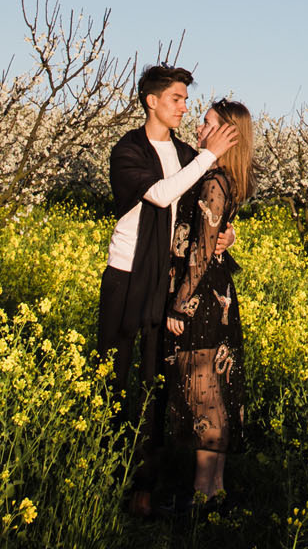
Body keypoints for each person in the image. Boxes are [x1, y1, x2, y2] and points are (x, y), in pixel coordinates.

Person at [98, 64, 238, 519]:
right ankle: (108, 475)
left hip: (166, 280)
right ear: (151, 101)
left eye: (184, 99)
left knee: (155, 385)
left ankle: (148, 483)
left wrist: (225, 232)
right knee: (114, 377)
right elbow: (159, 195)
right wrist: (204, 158)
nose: (183, 106)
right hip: (128, 276)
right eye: (176, 98)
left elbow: (200, 210)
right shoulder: (128, 151)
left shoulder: (183, 151)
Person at [162, 98, 252, 505]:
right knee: (216, 396)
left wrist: (179, 304)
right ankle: (215, 492)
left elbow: (199, 252)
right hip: (218, 296)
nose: (199, 126)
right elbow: (211, 239)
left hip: (200, 301)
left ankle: (201, 495)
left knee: (204, 398)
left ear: (226, 134)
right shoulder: (224, 179)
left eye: (208, 122)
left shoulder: (213, 181)